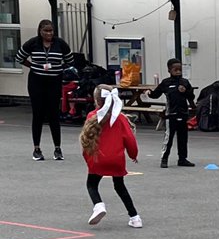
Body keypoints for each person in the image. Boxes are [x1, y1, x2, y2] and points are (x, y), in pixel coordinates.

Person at [80, 85, 141, 228]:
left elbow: (86, 140)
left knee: (92, 184)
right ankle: (135, 217)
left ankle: (98, 205)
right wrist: (133, 155)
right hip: (116, 159)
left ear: (97, 101)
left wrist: (88, 160)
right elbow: (130, 140)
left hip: (98, 159)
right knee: (120, 187)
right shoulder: (120, 118)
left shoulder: (92, 116)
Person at [16, 19, 75, 161]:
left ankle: (57, 149)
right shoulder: (33, 43)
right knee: (38, 114)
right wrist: (33, 66)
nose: (49, 33)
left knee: (54, 114)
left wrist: (59, 68)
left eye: (51, 31)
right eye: (46, 31)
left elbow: (70, 61)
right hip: (36, 81)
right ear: (40, 31)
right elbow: (19, 58)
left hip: (54, 82)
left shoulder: (60, 44)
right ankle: (36, 149)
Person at [147, 58, 196, 168]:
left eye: (180, 69)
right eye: (175, 69)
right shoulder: (166, 82)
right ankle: (164, 158)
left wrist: (186, 91)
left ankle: (182, 159)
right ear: (169, 70)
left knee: (183, 138)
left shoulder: (185, 82)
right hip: (171, 114)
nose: (178, 72)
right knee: (168, 138)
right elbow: (156, 94)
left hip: (183, 113)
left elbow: (191, 96)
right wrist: (149, 93)